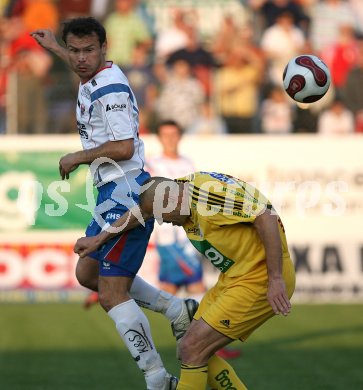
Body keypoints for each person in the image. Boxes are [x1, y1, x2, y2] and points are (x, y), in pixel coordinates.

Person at [31, 17, 198, 390]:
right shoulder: (93, 74)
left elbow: (123, 147)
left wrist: (78, 155)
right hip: (110, 191)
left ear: (104, 48)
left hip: (125, 191)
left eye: (88, 50)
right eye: (74, 50)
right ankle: (176, 308)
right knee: (87, 273)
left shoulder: (111, 89)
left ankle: (157, 378)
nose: (80, 58)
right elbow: (81, 68)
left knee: (111, 293)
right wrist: (55, 48)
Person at [74, 171, 296, 389]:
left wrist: (275, 278)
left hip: (261, 278)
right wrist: (100, 239)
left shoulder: (209, 198)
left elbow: (266, 217)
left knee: (192, 347)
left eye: (163, 216)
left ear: (172, 201)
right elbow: (142, 212)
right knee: (190, 348)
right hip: (235, 277)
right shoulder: (177, 191)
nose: (163, 222)